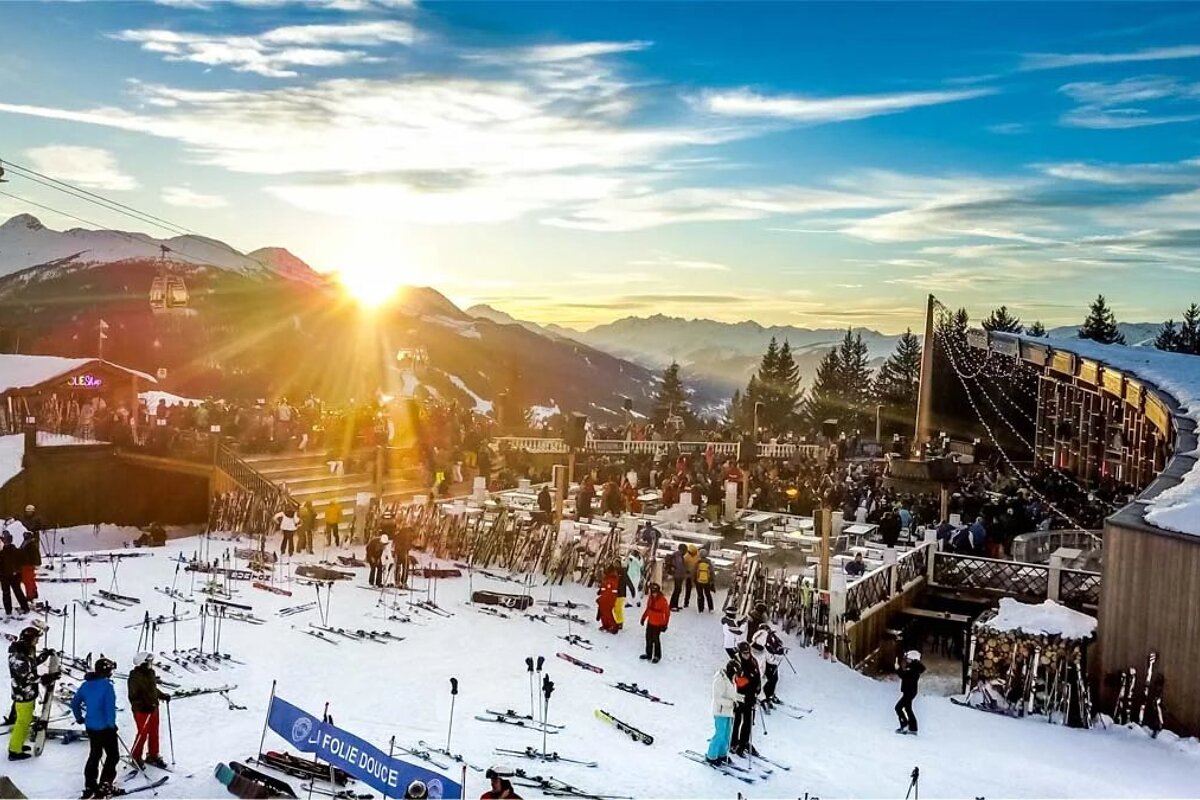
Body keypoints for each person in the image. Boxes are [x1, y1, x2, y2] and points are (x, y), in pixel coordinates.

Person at [72, 656, 119, 798]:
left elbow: (75, 703)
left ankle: (90, 784)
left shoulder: (86, 685)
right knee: (112, 755)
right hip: (105, 728)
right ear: (107, 671)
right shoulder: (107, 686)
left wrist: (79, 717)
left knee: (95, 754)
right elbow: (109, 709)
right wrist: (112, 726)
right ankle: (105, 784)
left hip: (91, 726)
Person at [7, 625, 51, 761]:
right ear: (30, 639)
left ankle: (17, 744)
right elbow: (26, 677)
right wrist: (45, 678)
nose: (37, 641)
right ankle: (14, 750)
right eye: (36, 638)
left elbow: (31, 665)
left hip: (29, 693)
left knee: (25, 721)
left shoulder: (26, 650)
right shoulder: (18, 656)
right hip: (22, 693)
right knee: (22, 722)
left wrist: (43, 657)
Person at [127, 653, 169, 769]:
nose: (151, 663)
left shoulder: (151, 673)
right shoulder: (135, 677)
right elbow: (133, 696)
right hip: (142, 710)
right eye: (149, 661)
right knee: (143, 733)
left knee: (154, 732)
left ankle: (153, 755)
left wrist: (162, 695)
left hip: (153, 707)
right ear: (142, 663)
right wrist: (144, 705)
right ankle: (135, 757)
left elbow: (152, 689)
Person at [730, 641, 761, 757]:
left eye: (748, 653)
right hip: (739, 697)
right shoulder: (736, 663)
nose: (747, 655)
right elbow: (739, 681)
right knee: (737, 720)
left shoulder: (753, 661)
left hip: (751, 697)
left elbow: (757, 675)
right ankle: (733, 742)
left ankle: (744, 743)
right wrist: (750, 678)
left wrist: (758, 687)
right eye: (745, 653)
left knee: (748, 721)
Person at [706, 660, 739, 765]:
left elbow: (732, 694)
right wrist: (731, 704)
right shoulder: (720, 679)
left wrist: (739, 701)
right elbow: (717, 698)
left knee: (727, 734)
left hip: (729, 711)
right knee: (720, 734)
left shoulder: (731, 679)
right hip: (720, 711)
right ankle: (711, 755)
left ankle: (722, 754)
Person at [752, 623, 787, 704]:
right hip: (759, 668)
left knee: (773, 679)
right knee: (761, 681)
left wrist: (775, 659)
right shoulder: (754, 647)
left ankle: (769, 695)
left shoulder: (766, 642)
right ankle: (762, 697)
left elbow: (769, 654)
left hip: (766, 665)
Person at [895, 650, 925, 735]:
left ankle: (905, 725)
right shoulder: (913, 668)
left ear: (914, 660)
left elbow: (904, 676)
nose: (907, 661)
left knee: (898, 708)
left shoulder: (913, 669)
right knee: (908, 709)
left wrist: (898, 669)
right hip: (910, 691)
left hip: (909, 692)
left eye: (908, 659)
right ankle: (913, 727)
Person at [639, 582, 670, 663]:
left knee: (656, 639)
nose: (654, 594)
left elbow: (667, 613)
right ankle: (648, 654)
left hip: (658, 624)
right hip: (650, 622)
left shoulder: (663, 600)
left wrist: (665, 624)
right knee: (648, 638)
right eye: (652, 593)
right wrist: (643, 618)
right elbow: (648, 609)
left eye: (655, 593)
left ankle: (657, 656)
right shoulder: (650, 598)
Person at [0, 532, 29, 617]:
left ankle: (19, 609)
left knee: (13, 592)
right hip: (8, 576)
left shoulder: (12, 551)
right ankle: (13, 610)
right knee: (11, 592)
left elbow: (24, 561)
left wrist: (17, 570)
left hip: (11, 576)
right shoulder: (4, 552)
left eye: (5, 539)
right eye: (3, 539)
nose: (5, 541)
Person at [16, 523, 39, 602]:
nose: (25, 536)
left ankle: (30, 595)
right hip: (27, 564)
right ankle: (34, 592)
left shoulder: (29, 544)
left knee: (27, 580)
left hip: (27, 564)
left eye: (26, 534)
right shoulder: (27, 543)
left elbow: (28, 554)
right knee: (31, 579)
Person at [596, 566, 619, 634]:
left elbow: (609, 591)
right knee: (603, 612)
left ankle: (614, 627)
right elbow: (604, 589)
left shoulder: (611, 579)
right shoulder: (608, 578)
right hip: (606, 598)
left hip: (608, 599)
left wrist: (601, 599)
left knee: (607, 613)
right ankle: (606, 625)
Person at [694, 549, 715, 613]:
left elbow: (694, 571)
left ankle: (700, 608)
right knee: (708, 595)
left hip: (698, 581)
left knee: (700, 595)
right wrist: (712, 580)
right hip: (707, 581)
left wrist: (694, 579)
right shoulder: (709, 562)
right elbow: (712, 572)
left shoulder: (697, 562)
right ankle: (711, 608)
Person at [668, 544, 687, 611]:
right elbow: (678, 566)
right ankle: (672, 605)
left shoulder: (680, 556)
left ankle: (675, 604)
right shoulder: (677, 556)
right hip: (677, 575)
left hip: (679, 575)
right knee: (677, 590)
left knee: (678, 590)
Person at [682, 544, 700, 609]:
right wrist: (686, 571)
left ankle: (700, 604)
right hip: (689, 576)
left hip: (696, 575)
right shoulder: (686, 557)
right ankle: (686, 603)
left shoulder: (698, 555)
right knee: (688, 590)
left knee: (699, 590)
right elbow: (683, 566)